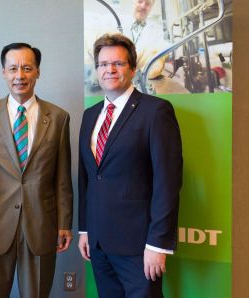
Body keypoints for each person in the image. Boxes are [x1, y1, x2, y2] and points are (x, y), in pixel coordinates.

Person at [0, 42, 73, 298]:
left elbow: (62, 178)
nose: (19, 75)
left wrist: (64, 223)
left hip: (41, 225)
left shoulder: (58, 118)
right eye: (13, 68)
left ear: (37, 72)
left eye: (27, 68)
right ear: (3, 72)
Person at [78, 33, 182, 297]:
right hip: (99, 243)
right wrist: (85, 229)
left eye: (118, 64)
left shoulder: (156, 111)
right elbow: (87, 178)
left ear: (133, 69)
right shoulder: (90, 116)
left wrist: (158, 245)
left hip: (139, 246)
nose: (109, 70)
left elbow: (167, 182)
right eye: (103, 64)